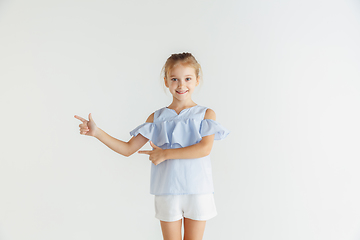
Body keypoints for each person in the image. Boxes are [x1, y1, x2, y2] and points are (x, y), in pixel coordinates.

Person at [74, 52, 229, 240]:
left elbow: (204, 149)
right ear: (166, 81)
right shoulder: (157, 118)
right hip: (167, 191)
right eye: (174, 79)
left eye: (187, 78)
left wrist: (166, 154)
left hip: (198, 190)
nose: (181, 85)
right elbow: (128, 149)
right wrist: (97, 133)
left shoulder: (206, 114)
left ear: (197, 80)